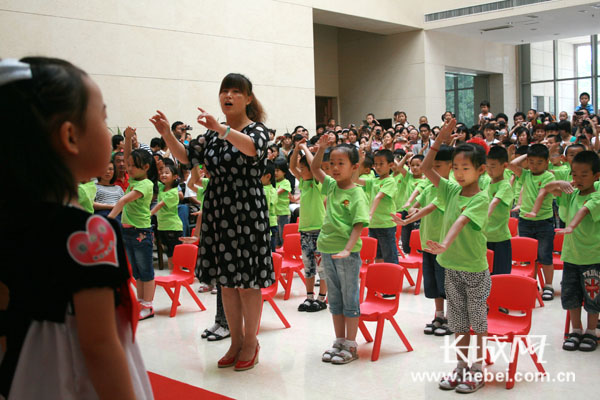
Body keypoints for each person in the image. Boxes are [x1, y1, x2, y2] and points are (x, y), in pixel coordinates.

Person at [0, 57, 152, 399]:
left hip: (25, 371)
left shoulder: (11, 219)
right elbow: (99, 345)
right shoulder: (89, 232)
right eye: (102, 117)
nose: (107, 128)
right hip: (73, 376)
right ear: (70, 137)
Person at [150, 72, 274, 372]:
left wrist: (221, 129)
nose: (227, 96)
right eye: (224, 91)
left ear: (247, 98)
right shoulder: (209, 137)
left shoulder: (257, 130)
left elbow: (252, 149)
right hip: (218, 209)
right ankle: (234, 341)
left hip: (246, 210)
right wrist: (168, 134)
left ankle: (250, 342)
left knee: (248, 283)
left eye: (235, 91)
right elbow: (185, 157)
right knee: (227, 282)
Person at [418, 119, 491, 393]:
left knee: (478, 322)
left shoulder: (480, 198)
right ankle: (461, 366)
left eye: (465, 168)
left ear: (480, 170)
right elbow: (426, 168)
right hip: (452, 268)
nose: (458, 173)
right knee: (458, 322)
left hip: (474, 270)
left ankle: (479, 367)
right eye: (455, 168)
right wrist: (438, 141)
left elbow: (460, 221)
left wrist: (445, 243)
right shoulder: (449, 189)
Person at [529, 151, 600, 351]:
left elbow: (584, 210)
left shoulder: (598, 193)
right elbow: (547, 188)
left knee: (593, 296)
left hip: (593, 257)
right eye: (575, 174)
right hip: (571, 256)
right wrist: (561, 184)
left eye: (584, 175)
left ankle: (591, 331)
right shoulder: (572, 192)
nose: (578, 179)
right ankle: (575, 330)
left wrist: (571, 227)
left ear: (596, 176)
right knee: (571, 296)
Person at [311, 135, 369, 365]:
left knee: (349, 299)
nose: (334, 168)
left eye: (340, 163)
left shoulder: (356, 193)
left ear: (354, 167)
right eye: (332, 163)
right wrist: (322, 149)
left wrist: (347, 249)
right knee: (334, 299)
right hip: (327, 249)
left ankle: (351, 345)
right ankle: (339, 341)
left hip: (347, 254)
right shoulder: (331, 185)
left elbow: (359, 224)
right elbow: (315, 168)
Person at [393, 145, 454, 336]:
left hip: (444, 246)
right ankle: (439, 315)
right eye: (432, 166)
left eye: (438, 166)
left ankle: (453, 319)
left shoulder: (450, 189)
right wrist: (410, 211)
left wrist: (409, 218)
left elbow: (429, 209)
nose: (432, 170)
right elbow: (417, 205)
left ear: (450, 166)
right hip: (428, 245)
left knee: (448, 284)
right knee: (434, 285)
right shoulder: (429, 187)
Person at [108, 127, 158, 320]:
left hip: (141, 232)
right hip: (129, 232)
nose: (128, 168)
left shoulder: (145, 184)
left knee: (146, 270)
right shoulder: (134, 179)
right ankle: (140, 303)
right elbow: (128, 155)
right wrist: (128, 138)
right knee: (137, 271)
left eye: (133, 166)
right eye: (127, 165)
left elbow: (122, 201)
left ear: (145, 167)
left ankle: (148, 305)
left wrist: (107, 220)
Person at [508, 144, 556, 301]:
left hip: (544, 221)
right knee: (530, 257)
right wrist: (526, 155)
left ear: (547, 162)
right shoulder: (526, 174)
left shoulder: (548, 176)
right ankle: (532, 283)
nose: (535, 166)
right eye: (532, 162)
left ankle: (548, 285)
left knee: (545, 255)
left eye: (539, 162)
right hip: (525, 221)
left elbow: (542, 195)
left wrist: (529, 157)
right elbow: (512, 165)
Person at [289, 139, 328, 312]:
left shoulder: (318, 183)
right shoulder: (304, 183)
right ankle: (309, 296)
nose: (300, 170)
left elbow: (314, 166)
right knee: (309, 266)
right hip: (305, 231)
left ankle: (322, 298)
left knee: (322, 267)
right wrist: (297, 149)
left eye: (303, 168)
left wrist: (305, 148)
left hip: (319, 231)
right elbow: (291, 167)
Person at [356, 149, 398, 265]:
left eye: (381, 164)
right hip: (374, 224)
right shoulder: (373, 180)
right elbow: (354, 179)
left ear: (390, 165)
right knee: (377, 256)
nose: (378, 167)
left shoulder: (390, 181)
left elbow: (378, 197)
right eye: (376, 164)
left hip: (386, 225)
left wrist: (369, 214)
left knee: (390, 257)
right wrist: (359, 160)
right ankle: (381, 280)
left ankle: (393, 282)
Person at [485, 146, 513, 276]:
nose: (489, 170)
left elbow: (494, 202)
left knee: (500, 276)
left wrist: (481, 218)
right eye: (488, 166)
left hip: (500, 239)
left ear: (504, 166)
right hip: (484, 237)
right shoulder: (487, 184)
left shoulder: (505, 185)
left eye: (493, 166)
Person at [150, 163, 183, 270]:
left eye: (167, 173)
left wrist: (148, 215)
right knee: (169, 254)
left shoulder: (173, 193)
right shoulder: (161, 187)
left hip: (173, 227)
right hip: (162, 227)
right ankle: (173, 275)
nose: (163, 175)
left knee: (175, 255)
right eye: (162, 172)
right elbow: (154, 178)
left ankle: (177, 275)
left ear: (175, 177)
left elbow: (160, 205)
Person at [274, 159, 292, 248]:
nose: (275, 173)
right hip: (274, 214)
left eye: (277, 170)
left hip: (283, 214)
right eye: (274, 170)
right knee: (276, 238)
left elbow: (276, 193)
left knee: (283, 237)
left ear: (284, 171)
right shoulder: (273, 183)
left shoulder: (286, 182)